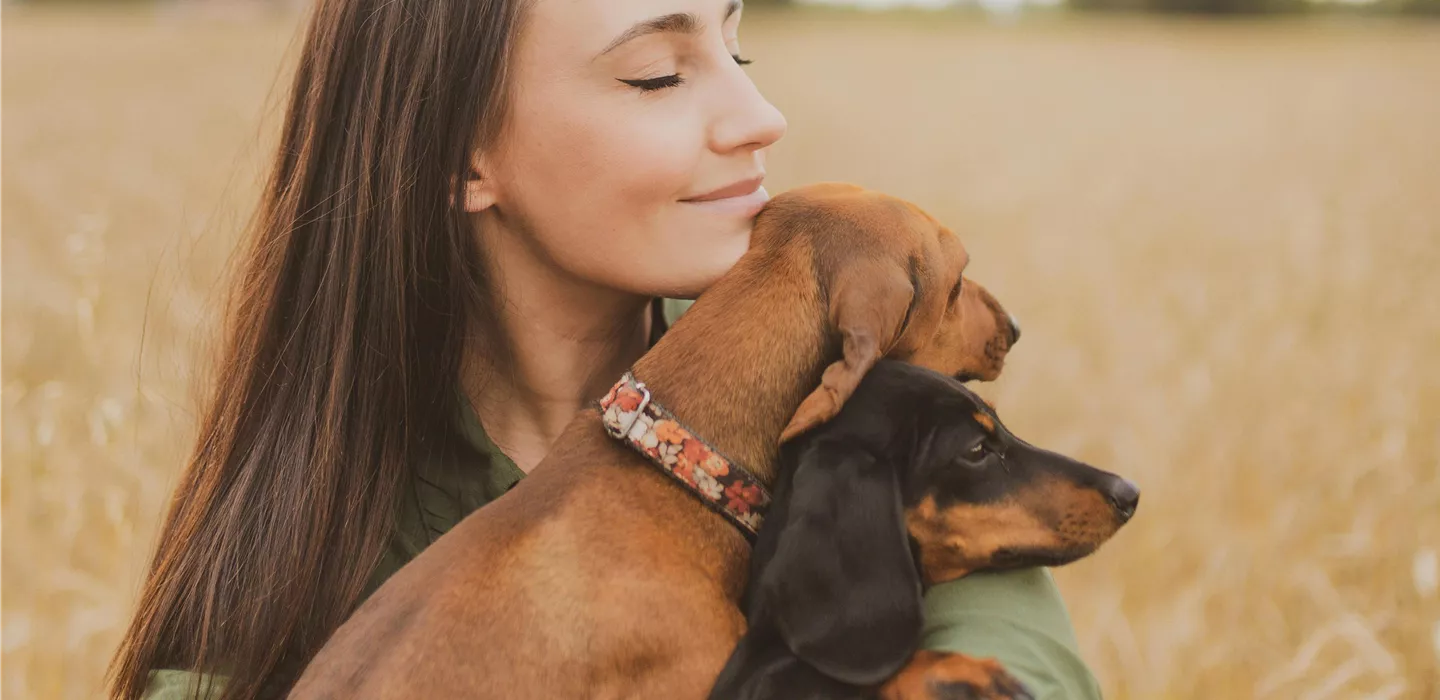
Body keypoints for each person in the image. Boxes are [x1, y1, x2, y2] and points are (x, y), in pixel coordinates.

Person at [108, 0, 1102, 698]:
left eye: (738, 48)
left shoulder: (854, 415)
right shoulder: (312, 517)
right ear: (462, 159)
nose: (763, 118)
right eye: (657, 74)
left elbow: (1025, 674)